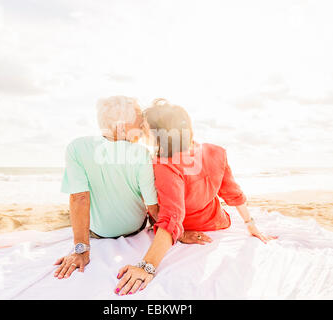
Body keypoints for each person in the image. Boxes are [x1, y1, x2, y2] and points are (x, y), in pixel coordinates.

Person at [115, 99, 277, 295]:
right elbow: (233, 193)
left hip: (185, 227)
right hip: (218, 222)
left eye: (146, 129)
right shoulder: (216, 151)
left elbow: (172, 217)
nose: (143, 133)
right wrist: (250, 224)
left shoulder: (165, 164)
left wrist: (146, 266)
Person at [53, 96, 159, 279]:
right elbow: (152, 206)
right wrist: (172, 232)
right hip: (135, 227)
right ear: (123, 124)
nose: (142, 125)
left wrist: (81, 250)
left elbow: (80, 198)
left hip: (99, 233)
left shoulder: (77, 147)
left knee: (77, 203)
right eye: (139, 120)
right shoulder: (141, 153)